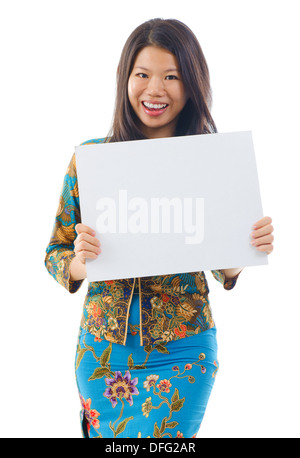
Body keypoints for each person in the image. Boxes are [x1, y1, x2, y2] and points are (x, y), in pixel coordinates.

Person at [45, 18, 274, 438]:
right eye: (143, 75)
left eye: (172, 76)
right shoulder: (92, 159)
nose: (155, 89)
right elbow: (54, 254)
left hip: (185, 350)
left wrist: (243, 252)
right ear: (124, 79)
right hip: (102, 353)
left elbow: (225, 268)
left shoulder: (213, 160)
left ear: (192, 84)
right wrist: (79, 262)